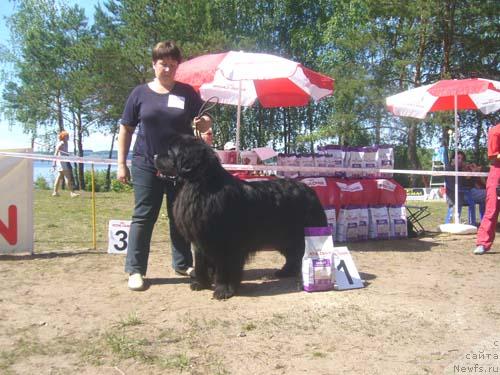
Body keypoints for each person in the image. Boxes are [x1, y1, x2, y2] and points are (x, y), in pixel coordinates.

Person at [117, 41, 212, 291]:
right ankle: (135, 270)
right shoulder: (139, 93)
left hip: (179, 166)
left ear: (177, 66)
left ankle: (182, 264)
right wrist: (121, 164)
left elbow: (204, 119)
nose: (167, 69)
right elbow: (125, 129)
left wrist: (204, 122)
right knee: (143, 216)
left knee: (180, 216)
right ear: (153, 64)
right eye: (163, 64)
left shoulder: (187, 92)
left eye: (172, 65)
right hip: (146, 164)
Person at [474, 123, 500, 255]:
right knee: (492, 209)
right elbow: (492, 156)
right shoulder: (495, 131)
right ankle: (483, 243)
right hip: (498, 173)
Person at [52, 130, 79, 198]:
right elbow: (56, 152)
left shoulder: (65, 143)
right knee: (67, 177)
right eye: (67, 136)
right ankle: (72, 193)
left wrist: (68, 155)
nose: (68, 137)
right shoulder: (61, 143)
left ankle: (55, 192)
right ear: (63, 137)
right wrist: (54, 163)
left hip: (63, 161)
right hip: (62, 162)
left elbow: (64, 153)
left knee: (59, 176)